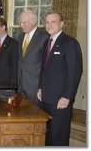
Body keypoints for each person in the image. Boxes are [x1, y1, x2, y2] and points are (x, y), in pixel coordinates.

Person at [37, 11, 83, 146]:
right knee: (48, 134)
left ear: (62, 24)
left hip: (60, 100)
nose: (49, 25)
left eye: (53, 22)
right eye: (47, 22)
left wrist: (67, 96)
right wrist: (40, 87)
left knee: (59, 136)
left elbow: (74, 72)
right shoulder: (47, 42)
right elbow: (44, 69)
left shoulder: (70, 43)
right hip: (46, 98)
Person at [17, 10, 49, 107]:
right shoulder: (21, 37)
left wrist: (41, 87)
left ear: (33, 21)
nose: (21, 25)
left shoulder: (44, 38)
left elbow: (46, 66)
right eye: (21, 23)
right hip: (21, 86)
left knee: (35, 117)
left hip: (35, 88)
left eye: (24, 22)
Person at [0, 17, 19, 88]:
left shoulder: (13, 44)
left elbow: (14, 67)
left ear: (3, 27)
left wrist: (13, 86)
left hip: (7, 84)